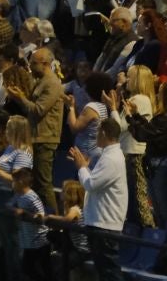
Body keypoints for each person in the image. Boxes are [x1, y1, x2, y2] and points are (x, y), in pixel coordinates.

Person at [71, 117, 127, 281]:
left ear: (103, 133)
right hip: (101, 223)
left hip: (105, 225)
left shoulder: (111, 158)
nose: (95, 135)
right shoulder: (109, 155)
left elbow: (91, 184)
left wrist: (81, 167)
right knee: (105, 272)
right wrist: (86, 168)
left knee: (110, 273)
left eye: (97, 131)